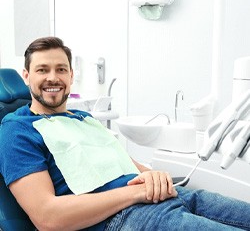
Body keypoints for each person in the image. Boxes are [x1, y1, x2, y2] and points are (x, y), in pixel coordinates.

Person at [0, 36, 250, 231]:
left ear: (71, 75)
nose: (53, 77)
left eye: (61, 69)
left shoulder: (85, 120)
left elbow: (126, 165)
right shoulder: (17, 129)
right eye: (42, 70)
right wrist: (137, 193)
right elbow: (47, 217)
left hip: (166, 197)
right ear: (26, 76)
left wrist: (156, 177)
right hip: (124, 218)